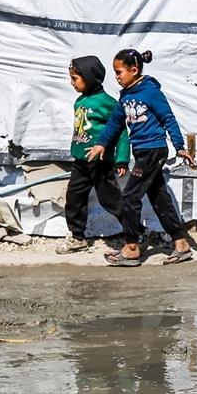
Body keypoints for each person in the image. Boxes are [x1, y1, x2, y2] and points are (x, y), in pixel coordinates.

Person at [86, 49, 197, 266]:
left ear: (134, 70)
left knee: (129, 196)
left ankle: (131, 247)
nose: (116, 76)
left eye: (119, 72)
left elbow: (168, 118)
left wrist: (179, 146)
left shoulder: (151, 92)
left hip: (154, 150)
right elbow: (115, 123)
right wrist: (101, 144)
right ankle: (181, 244)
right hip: (142, 151)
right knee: (158, 197)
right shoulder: (126, 95)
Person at [57, 56, 129, 255]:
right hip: (81, 162)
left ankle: (136, 232)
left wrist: (122, 158)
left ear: (89, 77)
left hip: (100, 163)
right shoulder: (80, 101)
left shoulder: (107, 103)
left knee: (111, 200)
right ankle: (77, 237)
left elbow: (121, 131)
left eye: (75, 78)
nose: (72, 83)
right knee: (74, 198)